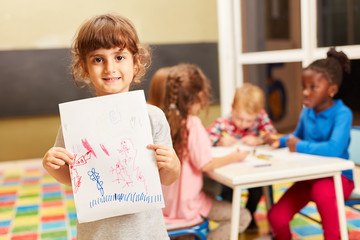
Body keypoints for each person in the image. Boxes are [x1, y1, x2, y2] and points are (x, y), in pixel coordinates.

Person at [42, 14, 181, 240]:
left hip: (147, 234)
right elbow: (72, 178)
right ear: (84, 68)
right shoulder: (75, 123)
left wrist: (172, 163)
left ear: (136, 63)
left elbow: (167, 178)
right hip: (96, 234)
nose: (109, 68)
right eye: (98, 59)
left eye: (119, 57)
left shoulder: (153, 117)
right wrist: (52, 165)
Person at [148, 63, 251, 240]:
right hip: (187, 208)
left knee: (211, 188)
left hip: (161, 207)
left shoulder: (159, 120)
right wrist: (235, 156)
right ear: (197, 98)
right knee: (243, 216)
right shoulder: (192, 124)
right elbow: (206, 164)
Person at [265, 47, 354, 239]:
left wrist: (298, 145)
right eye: (303, 86)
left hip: (337, 178)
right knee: (276, 216)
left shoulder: (343, 114)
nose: (305, 92)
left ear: (331, 90)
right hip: (309, 177)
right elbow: (295, 137)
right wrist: (275, 141)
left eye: (313, 87)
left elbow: (334, 148)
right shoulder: (307, 112)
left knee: (322, 192)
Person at [206, 82, 277, 232]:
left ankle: (249, 216)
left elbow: (272, 135)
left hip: (254, 169)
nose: (243, 124)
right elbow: (204, 138)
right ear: (232, 108)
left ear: (258, 113)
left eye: (249, 120)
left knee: (260, 186)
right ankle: (235, 218)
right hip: (231, 170)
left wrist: (261, 139)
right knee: (227, 190)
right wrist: (219, 141)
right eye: (239, 118)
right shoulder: (224, 122)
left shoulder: (261, 118)